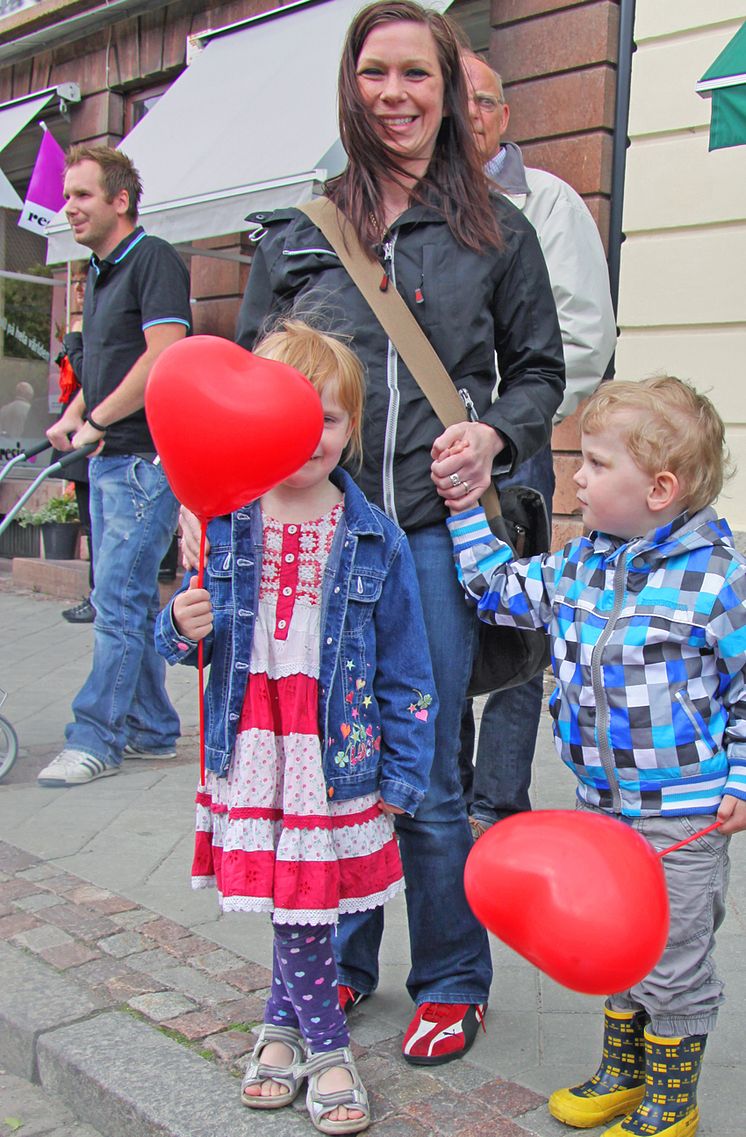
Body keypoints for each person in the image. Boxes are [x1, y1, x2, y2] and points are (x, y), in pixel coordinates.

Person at [202, 0, 564, 1066]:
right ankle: (340, 963)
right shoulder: (300, 232)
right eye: (376, 75)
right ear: (350, 89)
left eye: (417, 75)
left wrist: (494, 436)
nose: (396, 95)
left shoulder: (497, 234)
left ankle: (450, 977)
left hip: (432, 539)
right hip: (318, 538)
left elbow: (540, 371)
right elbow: (243, 387)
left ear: (448, 94)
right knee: (330, 761)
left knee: (427, 774)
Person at [445, 375, 746, 1137]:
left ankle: (673, 1099)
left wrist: (742, 777)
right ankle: (624, 1072)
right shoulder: (581, 564)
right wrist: (462, 513)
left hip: (680, 819)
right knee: (613, 946)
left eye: (595, 462)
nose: (575, 475)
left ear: (660, 488)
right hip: (599, 810)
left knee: (672, 957)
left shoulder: (719, 581)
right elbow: (497, 591)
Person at [156, 320, 436, 1134]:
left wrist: (403, 774)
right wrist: (184, 621)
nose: (313, 436)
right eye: (293, 416)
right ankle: (323, 1043)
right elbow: (173, 637)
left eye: (332, 418)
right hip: (252, 742)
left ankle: (289, 1033)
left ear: (354, 426)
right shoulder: (225, 519)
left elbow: (408, 669)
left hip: (331, 751)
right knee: (295, 901)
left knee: (303, 899)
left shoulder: (374, 534)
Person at [458, 52, 618, 838]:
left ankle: (498, 798)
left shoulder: (547, 201)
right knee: (446, 610)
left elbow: (586, 333)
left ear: (505, 113)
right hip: (432, 454)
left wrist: (518, 422)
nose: (471, 113)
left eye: (484, 99)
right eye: (459, 99)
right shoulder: (406, 207)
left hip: (514, 446)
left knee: (525, 616)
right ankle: (446, 788)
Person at [37, 145, 191, 788]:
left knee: (118, 602)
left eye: (81, 196)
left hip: (141, 461)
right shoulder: (98, 272)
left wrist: (98, 421)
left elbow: (165, 354)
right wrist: (76, 412)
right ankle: (153, 728)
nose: (67, 207)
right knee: (121, 596)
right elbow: (111, 360)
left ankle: (94, 736)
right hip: (108, 457)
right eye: (67, 196)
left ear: (120, 200)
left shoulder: (150, 258)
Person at [54, 263, 96, 624]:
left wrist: (75, 341)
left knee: (97, 527)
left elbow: (90, 376)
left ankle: (98, 597)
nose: (79, 289)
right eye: (77, 284)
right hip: (75, 432)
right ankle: (95, 594)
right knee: (88, 522)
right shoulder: (81, 324)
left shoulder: (88, 328)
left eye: (84, 283)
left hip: (93, 436)